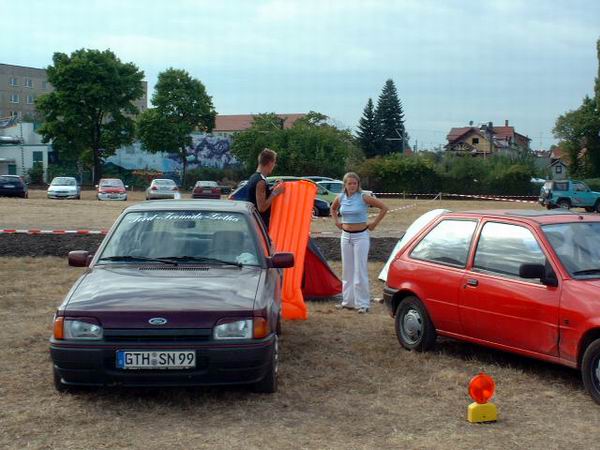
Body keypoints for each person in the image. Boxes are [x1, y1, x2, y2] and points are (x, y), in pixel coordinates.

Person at [330, 172, 388, 313]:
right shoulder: (341, 197)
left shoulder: (363, 197)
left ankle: (363, 304)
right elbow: (333, 208)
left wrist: (374, 223)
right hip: (345, 236)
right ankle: (348, 301)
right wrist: (337, 222)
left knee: (359, 270)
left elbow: (384, 208)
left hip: (360, 236)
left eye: (354, 183)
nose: (352, 186)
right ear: (345, 185)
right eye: (349, 183)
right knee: (347, 269)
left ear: (358, 184)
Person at [246, 148, 285, 228]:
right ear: (270, 163)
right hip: (259, 225)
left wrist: (273, 188)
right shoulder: (260, 181)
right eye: (274, 162)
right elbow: (261, 207)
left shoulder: (254, 177)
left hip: (254, 223)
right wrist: (275, 193)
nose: (274, 165)